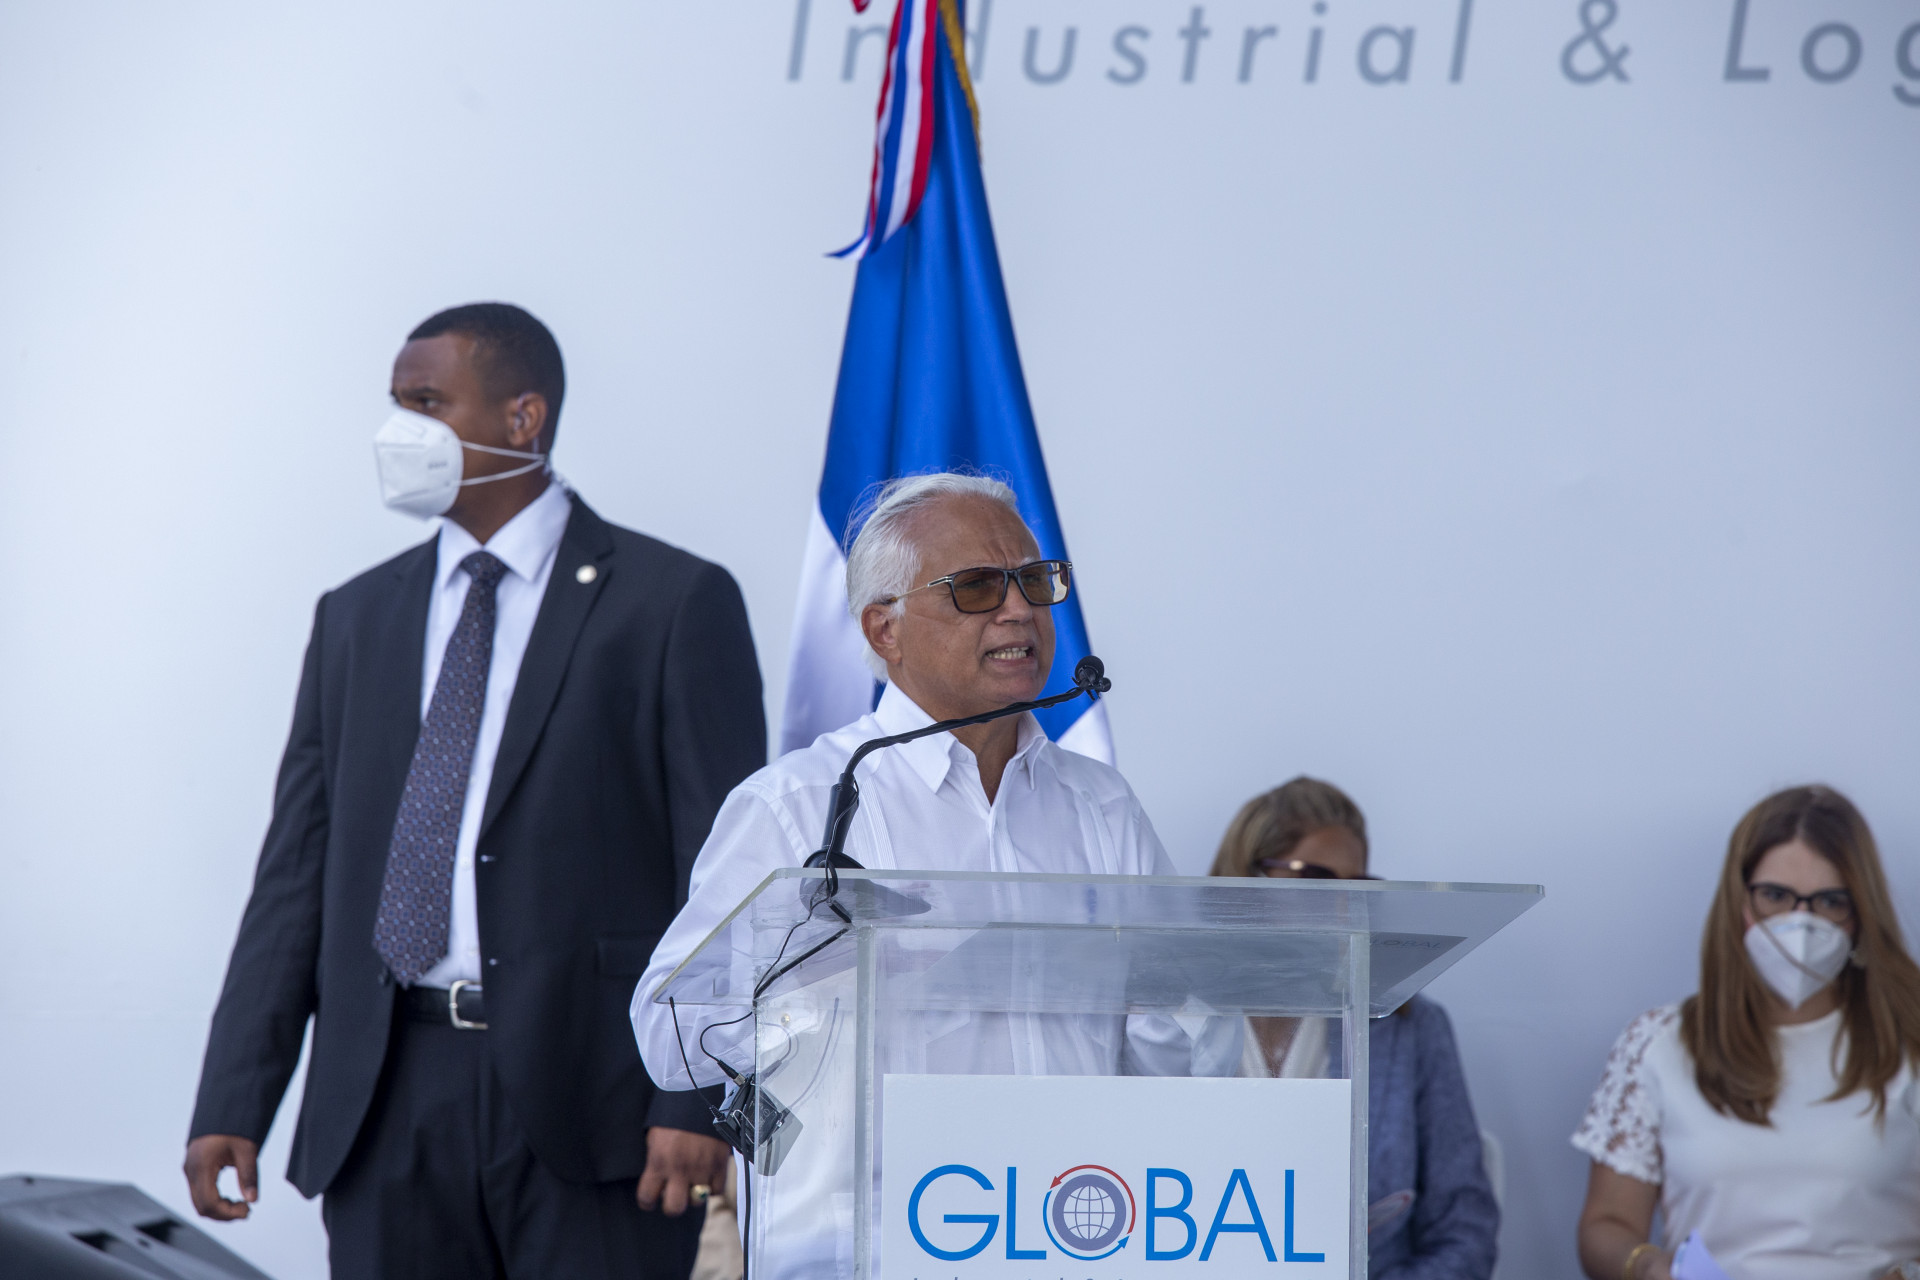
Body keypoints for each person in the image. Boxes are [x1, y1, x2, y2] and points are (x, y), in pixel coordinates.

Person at [183, 303, 765, 1279]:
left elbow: (727, 875)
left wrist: (695, 1094)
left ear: (522, 417)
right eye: (396, 403)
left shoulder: (671, 602)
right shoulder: (355, 617)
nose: (399, 431)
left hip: (595, 1104)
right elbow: (295, 875)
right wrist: (234, 1099)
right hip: (386, 1095)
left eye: (426, 403)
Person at [630, 472, 1233, 1279]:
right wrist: (822, 977)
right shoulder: (800, 806)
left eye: (1035, 580)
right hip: (865, 1249)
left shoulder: (1100, 806)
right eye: (977, 587)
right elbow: (669, 1031)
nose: (1019, 609)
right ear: (884, 629)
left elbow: (1181, 1023)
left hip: (1075, 1237)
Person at [1573, 785, 1920, 1280]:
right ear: (1739, 901)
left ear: (1862, 912)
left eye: (1830, 901)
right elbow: (1607, 1224)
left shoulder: (1909, 1042)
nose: (1801, 922)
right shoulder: (1659, 1044)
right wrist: (1648, 1266)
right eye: (1776, 896)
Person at [1211, 777, 1500, 1280]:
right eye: (1315, 879)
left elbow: (1465, 1233)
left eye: (1357, 886)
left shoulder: (1409, 1028)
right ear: (1249, 877)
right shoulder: (1169, 1021)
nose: (1342, 906)